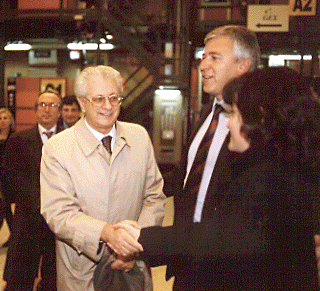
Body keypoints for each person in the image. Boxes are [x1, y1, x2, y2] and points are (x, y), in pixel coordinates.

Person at [113, 66, 320, 290]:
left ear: (260, 119)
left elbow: (217, 239)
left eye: (235, 113)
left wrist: (139, 237)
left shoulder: (266, 179)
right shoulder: (289, 168)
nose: (229, 123)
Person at [134, 24, 261, 289]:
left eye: (214, 58)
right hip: (186, 261)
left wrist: (143, 241)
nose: (203, 65)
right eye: (203, 57)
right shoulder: (206, 113)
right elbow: (189, 175)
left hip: (230, 269)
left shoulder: (256, 123)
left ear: (242, 66)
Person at [40, 65, 166, 291]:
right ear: (81, 102)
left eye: (113, 98)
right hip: (82, 273)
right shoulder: (57, 148)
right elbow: (59, 212)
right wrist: (107, 233)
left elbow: (154, 197)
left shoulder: (139, 137)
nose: (107, 106)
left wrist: (131, 246)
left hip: (132, 267)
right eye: (98, 99)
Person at [3, 90, 63, 291]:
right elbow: (11, 178)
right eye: (42, 105)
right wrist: (37, 202)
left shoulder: (70, 139)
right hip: (28, 216)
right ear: (36, 110)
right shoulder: (19, 140)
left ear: (60, 111)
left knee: (54, 275)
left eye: (52, 105)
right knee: (20, 277)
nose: (47, 110)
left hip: (60, 217)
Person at [0, 108, 15, 245]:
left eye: (5, 118)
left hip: (8, 179)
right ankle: (14, 235)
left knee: (5, 206)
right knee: (3, 207)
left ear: (10, 121)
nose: (3, 121)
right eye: (0, 118)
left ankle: (15, 236)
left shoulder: (15, 138)